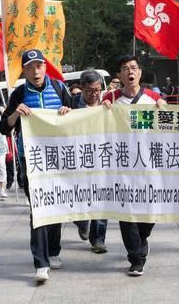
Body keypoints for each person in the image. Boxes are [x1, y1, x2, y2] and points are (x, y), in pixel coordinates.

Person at [0, 49, 72, 283]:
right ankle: (41, 263)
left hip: (59, 159)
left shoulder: (60, 88)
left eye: (39, 65)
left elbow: (77, 119)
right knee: (38, 210)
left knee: (56, 206)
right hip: (31, 162)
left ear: (45, 67)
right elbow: (4, 128)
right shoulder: (19, 93)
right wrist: (14, 115)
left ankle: (54, 250)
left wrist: (67, 113)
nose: (35, 70)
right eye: (30, 67)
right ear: (24, 71)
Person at [102, 55, 166, 277]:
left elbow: (168, 131)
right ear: (119, 75)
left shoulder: (154, 99)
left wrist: (164, 112)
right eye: (124, 69)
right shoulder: (109, 99)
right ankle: (135, 258)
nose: (130, 72)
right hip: (121, 169)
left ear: (140, 73)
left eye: (133, 68)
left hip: (149, 167)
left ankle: (143, 237)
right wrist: (102, 110)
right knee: (126, 213)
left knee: (149, 214)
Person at [70, 70, 109, 254]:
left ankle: (98, 239)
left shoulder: (108, 105)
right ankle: (81, 221)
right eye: (90, 90)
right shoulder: (71, 105)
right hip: (79, 159)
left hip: (102, 157)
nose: (94, 94)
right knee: (79, 197)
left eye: (98, 90)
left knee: (102, 200)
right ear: (81, 88)